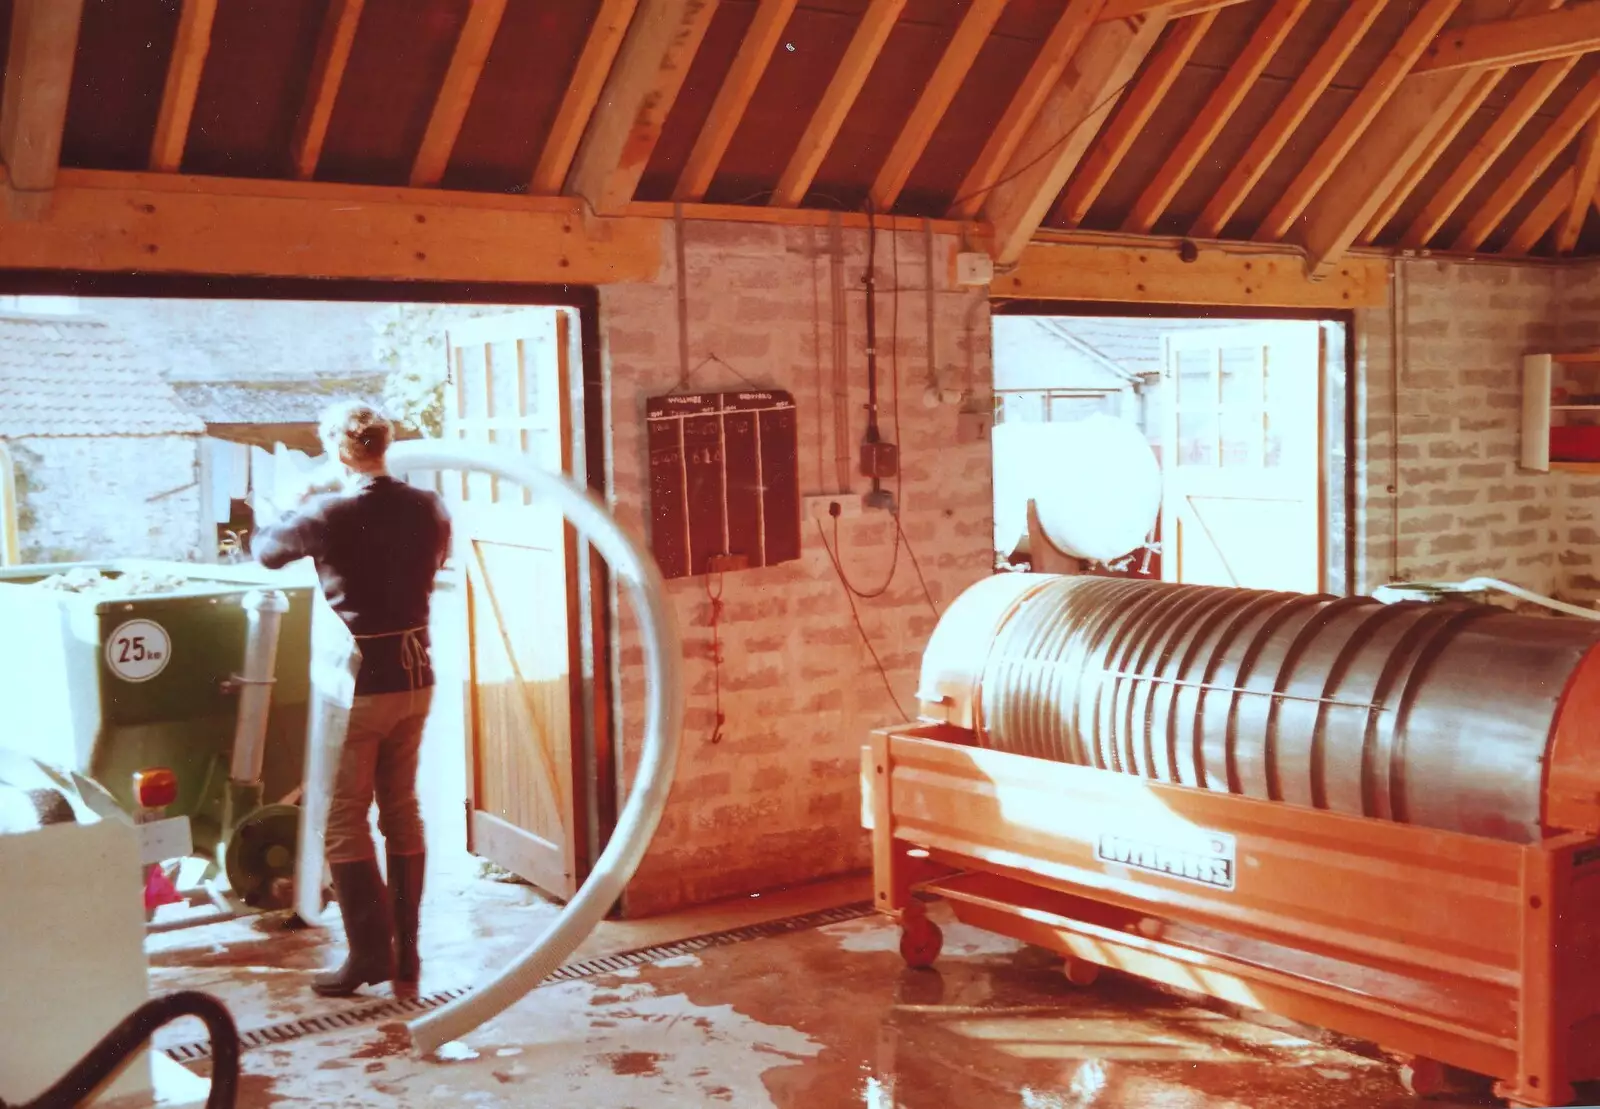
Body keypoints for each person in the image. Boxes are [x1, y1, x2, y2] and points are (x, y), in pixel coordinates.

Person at [253, 402, 451, 998]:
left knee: (344, 820)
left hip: (360, 685)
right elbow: (435, 560)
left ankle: (368, 953)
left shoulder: (327, 511)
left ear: (340, 450)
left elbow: (266, 551)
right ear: (384, 445)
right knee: (402, 807)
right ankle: (408, 953)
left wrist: (297, 500)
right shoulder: (428, 506)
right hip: (417, 676)